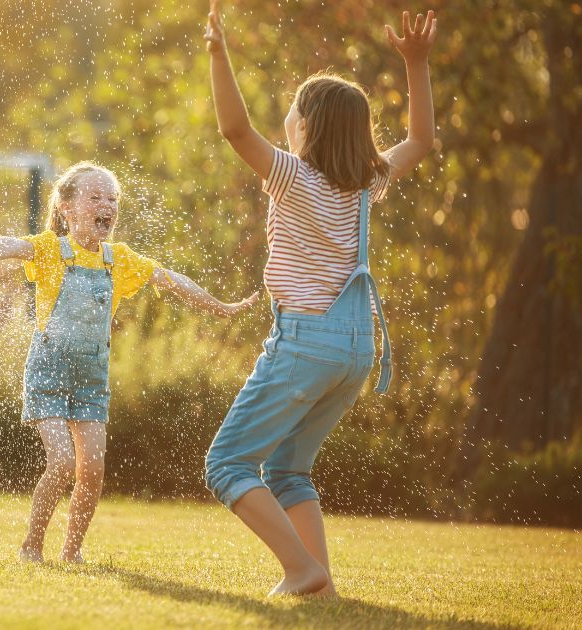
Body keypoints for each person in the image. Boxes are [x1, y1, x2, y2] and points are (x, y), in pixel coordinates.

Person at [203, 0, 437, 596]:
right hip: (354, 354)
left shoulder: (293, 175)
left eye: (292, 111)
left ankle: (300, 568)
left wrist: (217, 53)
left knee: (227, 464)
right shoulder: (365, 184)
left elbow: (234, 130)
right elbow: (421, 139)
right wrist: (416, 64)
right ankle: (321, 585)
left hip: (305, 344)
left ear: (305, 126)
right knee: (287, 468)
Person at [0, 161, 257, 563]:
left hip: (91, 379)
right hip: (48, 372)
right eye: (95, 197)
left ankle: (72, 550)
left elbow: (171, 278)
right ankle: (32, 545)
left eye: (112, 198)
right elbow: (8, 245)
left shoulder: (117, 259)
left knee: (93, 470)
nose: (107, 205)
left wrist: (220, 307)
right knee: (63, 462)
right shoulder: (51, 250)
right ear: (66, 208)